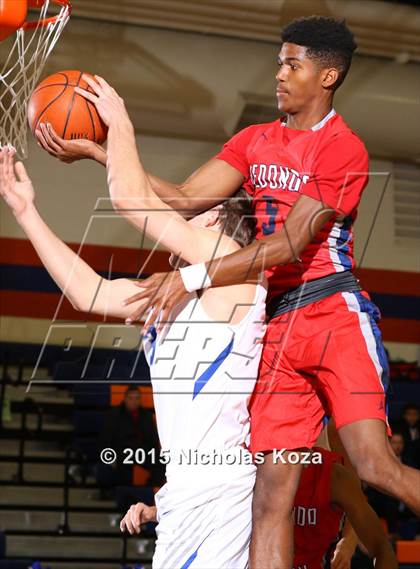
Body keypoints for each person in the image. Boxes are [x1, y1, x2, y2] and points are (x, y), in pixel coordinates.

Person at [35, 15, 420, 569]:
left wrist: (194, 274)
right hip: (277, 326)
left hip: (331, 311)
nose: (280, 75)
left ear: (329, 75)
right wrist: (105, 154)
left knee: (372, 466)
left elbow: (290, 243)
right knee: (270, 497)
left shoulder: (343, 149)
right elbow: (186, 197)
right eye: (279, 63)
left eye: (294, 65)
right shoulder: (253, 140)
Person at [0, 92, 266, 567]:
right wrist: (25, 211)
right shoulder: (169, 292)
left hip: (220, 490)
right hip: (187, 492)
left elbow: (131, 199)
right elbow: (89, 293)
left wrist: (119, 121)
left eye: (197, 208)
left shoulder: (236, 273)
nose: (183, 211)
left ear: (223, 221)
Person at [121, 447, 398, 569]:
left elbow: (382, 549)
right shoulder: (249, 463)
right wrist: (154, 511)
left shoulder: (332, 476)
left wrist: (348, 543)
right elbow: (204, 496)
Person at [96, 386, 158, 498]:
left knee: (160, 461)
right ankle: (120, 497)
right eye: (131, 398)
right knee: (123, 466)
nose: (134, 402)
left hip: (142, 452)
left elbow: (152, 440)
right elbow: (106, 439)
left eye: (137, 398)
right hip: (122, 453)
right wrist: (111, 457)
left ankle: (150, 493)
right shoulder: (114, 415)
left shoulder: (147, 416)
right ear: (125, 399)